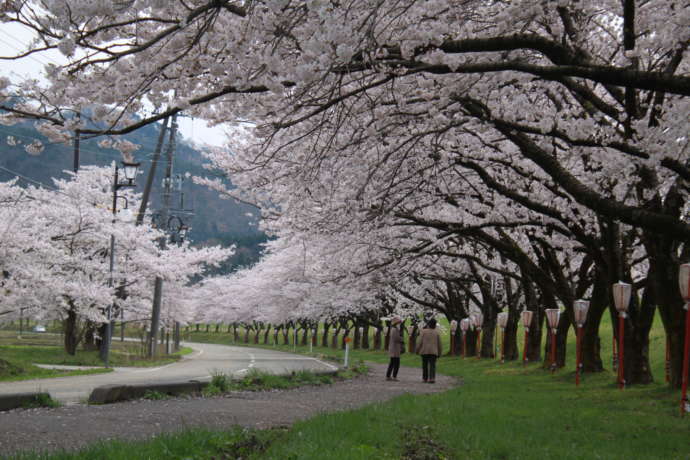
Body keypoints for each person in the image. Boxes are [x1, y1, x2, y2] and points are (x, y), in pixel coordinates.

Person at [415, 318, 442, 383]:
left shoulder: (423, 331)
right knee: (432, 365)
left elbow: (420, 342)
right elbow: (439, 344)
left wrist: (417, 350)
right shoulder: (436, 333)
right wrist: (439, 353)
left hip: (424, 351)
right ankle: (432, 378)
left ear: (429, 324)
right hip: (434, 351)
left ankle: (424, 378)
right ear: (435, 325)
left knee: (425, 365)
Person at [386, 316, 404, 381]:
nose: (400, 324)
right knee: (396, 363)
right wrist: (401, 339)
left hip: (394, 348)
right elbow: (396, 338)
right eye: (399, 323)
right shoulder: (394, 329)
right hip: (395, 349)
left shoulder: (394, 329)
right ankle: (394, 376)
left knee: (392, 363)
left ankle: (388, 376)